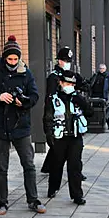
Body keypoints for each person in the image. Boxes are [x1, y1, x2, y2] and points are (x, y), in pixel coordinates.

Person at [0, 35, 46, 215]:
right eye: (10, 59)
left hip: (21, 126)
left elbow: (35, 96)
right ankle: (2, 202)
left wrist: (22, 102)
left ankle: (33, 199)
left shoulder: (26, 72)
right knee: (2, 167)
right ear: (4, 57)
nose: (13, 62)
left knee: (29, 164)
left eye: (16, 59)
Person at [43, 70, 93, 205]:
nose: (68, 85)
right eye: (66, 82)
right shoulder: (53, 98)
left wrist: (80, 101)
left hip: (75, 137)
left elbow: (90, 112)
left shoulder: (78, 97)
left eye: (71, 83)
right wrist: (48, 134)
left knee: (75, 167)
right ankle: (53, 188)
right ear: (60, 83)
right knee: (56, 165)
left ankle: (77, 195)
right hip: (60, 137)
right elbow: (48, 117)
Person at [41, 46, 88, 176]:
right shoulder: (53, 77)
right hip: (59, 111)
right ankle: (52, 168)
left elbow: (82, 86)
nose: (66, 63)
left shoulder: (71, 75)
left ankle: (54, 167)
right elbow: (50, 97)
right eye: (64, 60)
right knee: (58, 143)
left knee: (71, 146)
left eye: (68, 61)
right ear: (59, 61)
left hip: (72, 111)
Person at [89, 63, 109, 130]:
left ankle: (108, 123)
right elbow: (91, 83)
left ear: (105, 69)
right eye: (100, 68)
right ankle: (97, 123)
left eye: (103, 68)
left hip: (104, 95)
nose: (101, 70)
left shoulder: (107, 76)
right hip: (95, 95)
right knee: (95, 109)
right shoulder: (96, 75)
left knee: (104, 110)